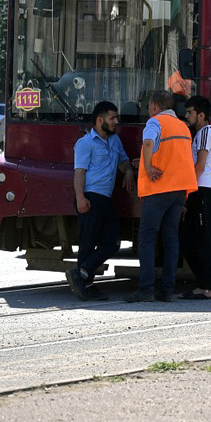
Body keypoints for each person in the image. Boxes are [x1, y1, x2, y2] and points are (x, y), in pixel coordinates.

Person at [124, 90, 197, 303]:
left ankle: (146, 289)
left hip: (159, 189)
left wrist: (147, 167)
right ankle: (166, 290)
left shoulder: (155, 122)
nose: (148, 110)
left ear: (154, 106)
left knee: (147, 237)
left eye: (149, 106)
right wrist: (147, 160)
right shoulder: (183, 127)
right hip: (179, 191)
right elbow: (172, 155)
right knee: (171, 238)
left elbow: (149, 143)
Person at [66, 101, 131, 301]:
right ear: (100, 120)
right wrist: (80, 198)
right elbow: (79, 172)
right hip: (90, 197)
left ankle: (81, 275)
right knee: (87, 244)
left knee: (112, 243)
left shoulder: (114, 140)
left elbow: (123, 161)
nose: (116, 122)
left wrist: (128, 171)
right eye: (112, 118)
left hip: (106, 199)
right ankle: (87, 286)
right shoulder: (85, 143)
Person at [179, 95, 211, 300]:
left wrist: (187, 193)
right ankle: (207, 283)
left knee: (203, 239)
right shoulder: (199, 134)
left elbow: (200, 166)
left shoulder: (205, 133)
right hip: (200, 190)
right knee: (189, 239)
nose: (186, 116)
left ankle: (205, 287)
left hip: (202, 190)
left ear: (201, 115)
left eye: (190, 112)